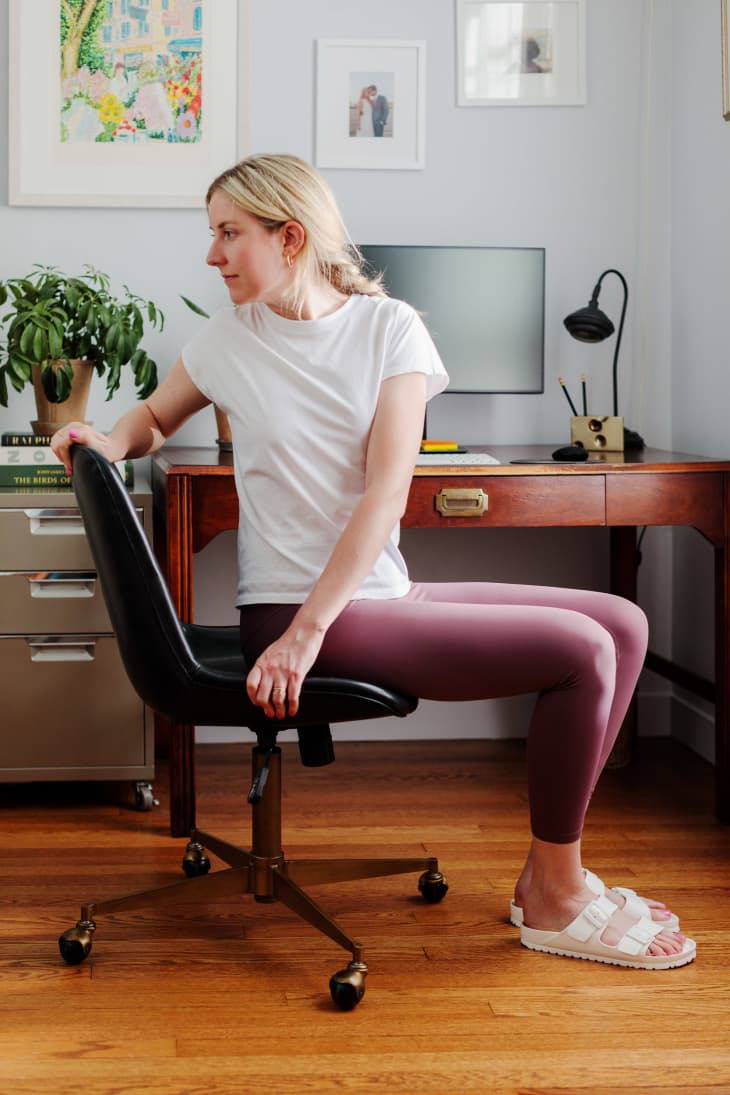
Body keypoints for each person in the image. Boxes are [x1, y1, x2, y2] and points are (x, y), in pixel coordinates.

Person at [51, 153, 695, 971]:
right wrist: (106, 441)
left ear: (291, 237)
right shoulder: (228, 340)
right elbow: (149, 418)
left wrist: (318, 627)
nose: (211, 255)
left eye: (227, 233)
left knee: (624, 621)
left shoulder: (392, 329)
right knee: (583, 650)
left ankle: (547, 866)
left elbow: (386, 496)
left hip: (372, 596)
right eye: (210, 234)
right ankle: (557, 896)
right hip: (292, 609)